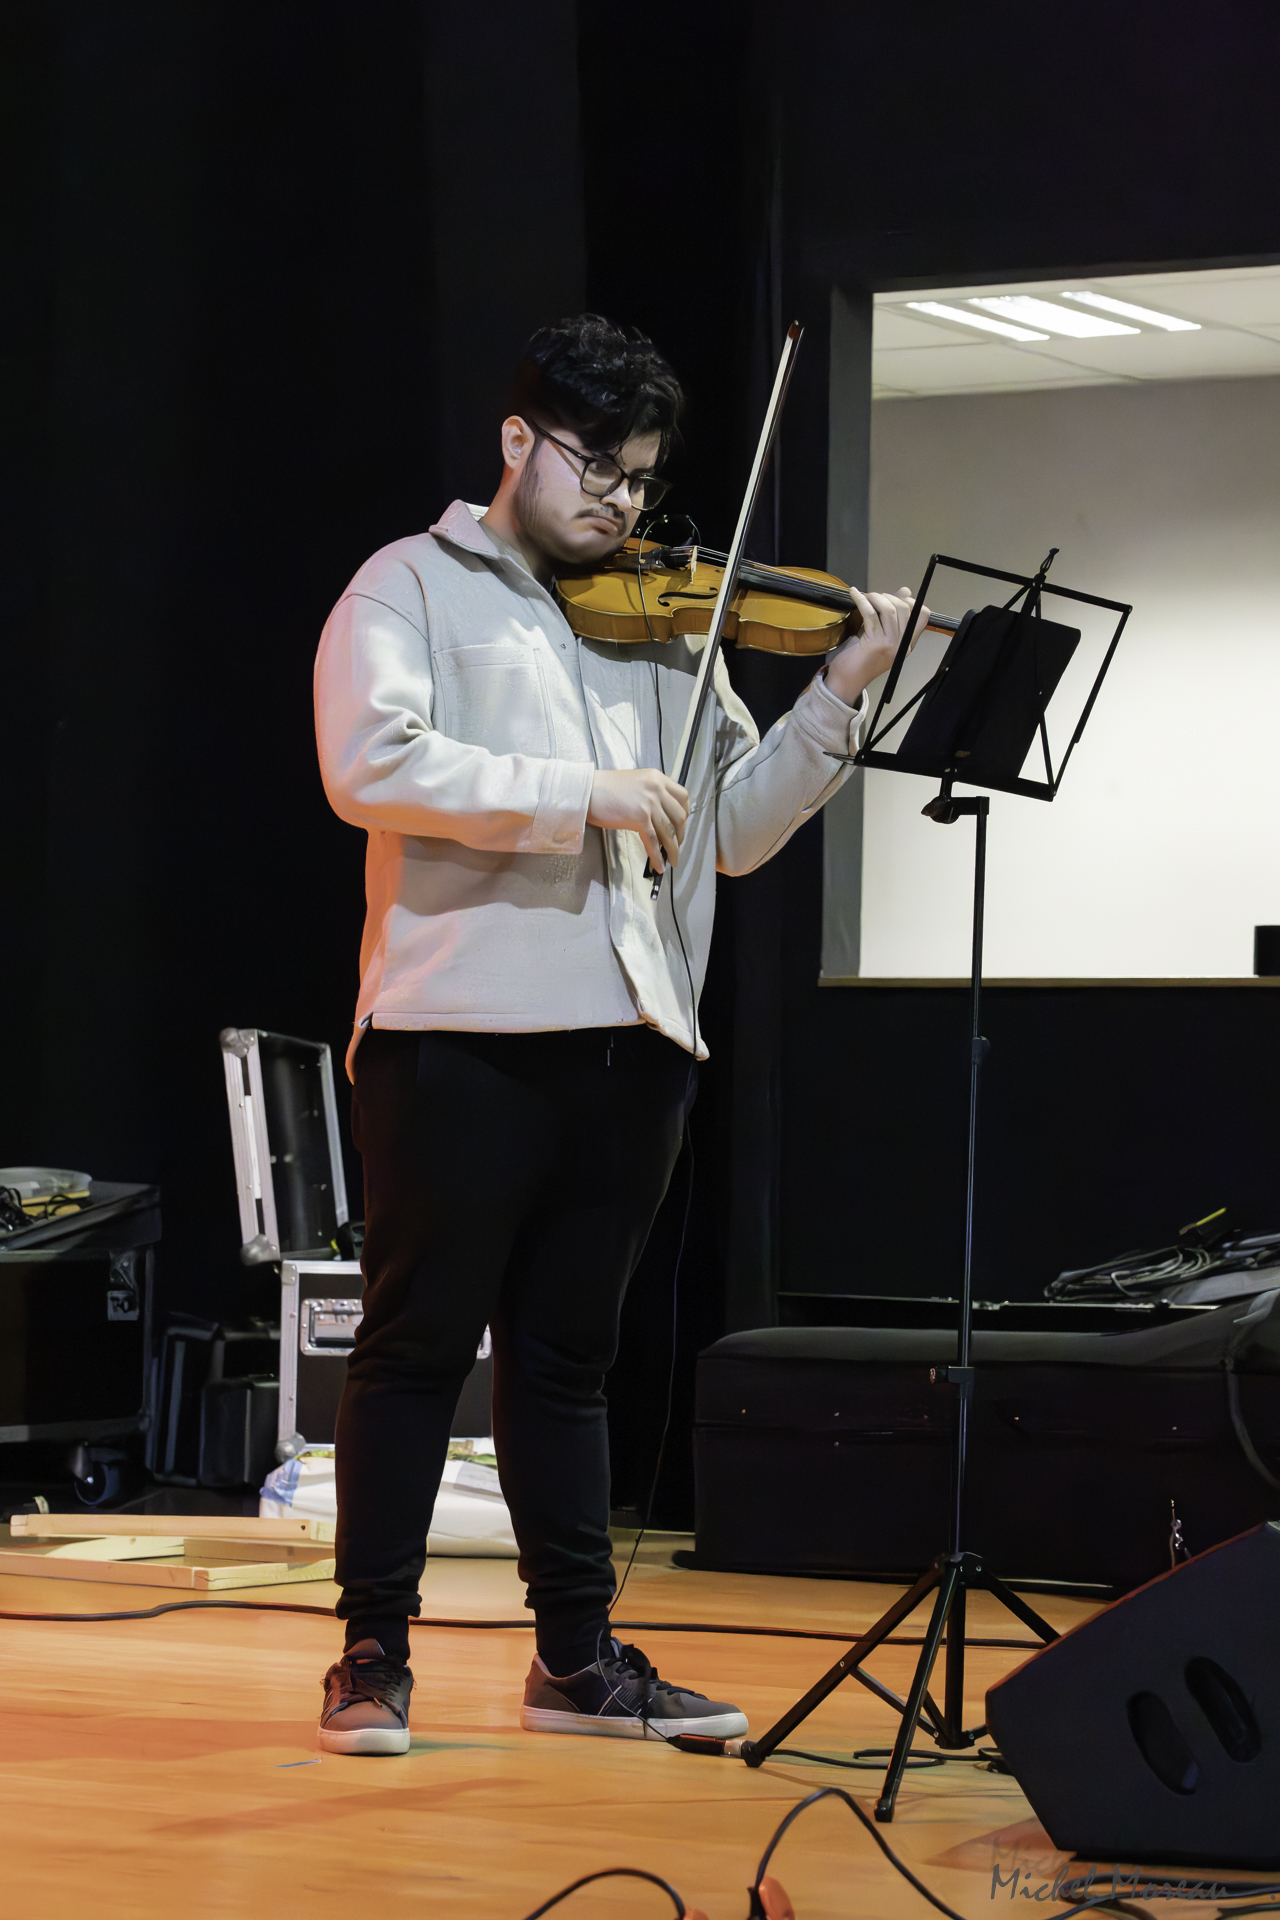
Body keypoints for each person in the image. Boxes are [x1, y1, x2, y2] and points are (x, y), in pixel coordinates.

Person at [311, 313, 924, 1755]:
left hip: (633, 1036)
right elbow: (368, 762)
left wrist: (837, 701)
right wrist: (573, 791)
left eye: (643, 479)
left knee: (569, 1360)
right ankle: (371, 1653)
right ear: (519, 441)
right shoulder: (407, 587)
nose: (623, 505)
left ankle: (577, 1663)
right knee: (411, 1347)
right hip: (458, 1028)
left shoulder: (663, 619)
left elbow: (739, 835)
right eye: (598, 468)